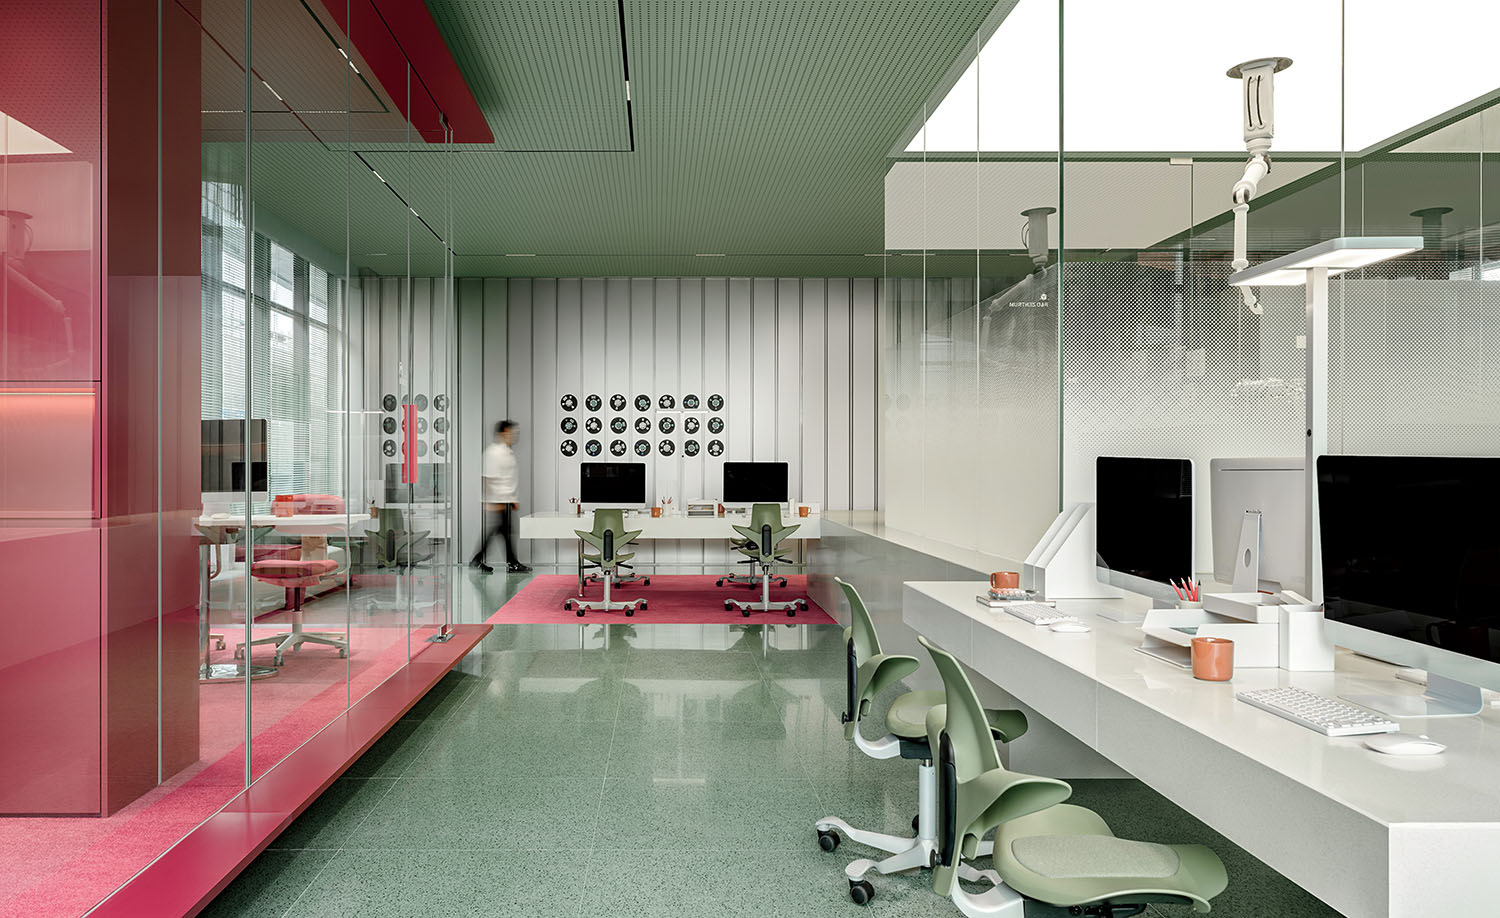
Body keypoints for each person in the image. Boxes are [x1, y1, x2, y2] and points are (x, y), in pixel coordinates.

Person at [470, 420, 530, 574]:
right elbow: (488, 478)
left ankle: (481, 560)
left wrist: (512, 499)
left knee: (503, 532)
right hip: (498, 501)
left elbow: (506, 479)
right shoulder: (493, 453)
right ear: (503, 433)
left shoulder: (507, 452)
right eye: (512, 433)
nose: (514, 436)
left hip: (506, 500)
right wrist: (489, 502)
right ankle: (510, 563)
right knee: (503, 532)